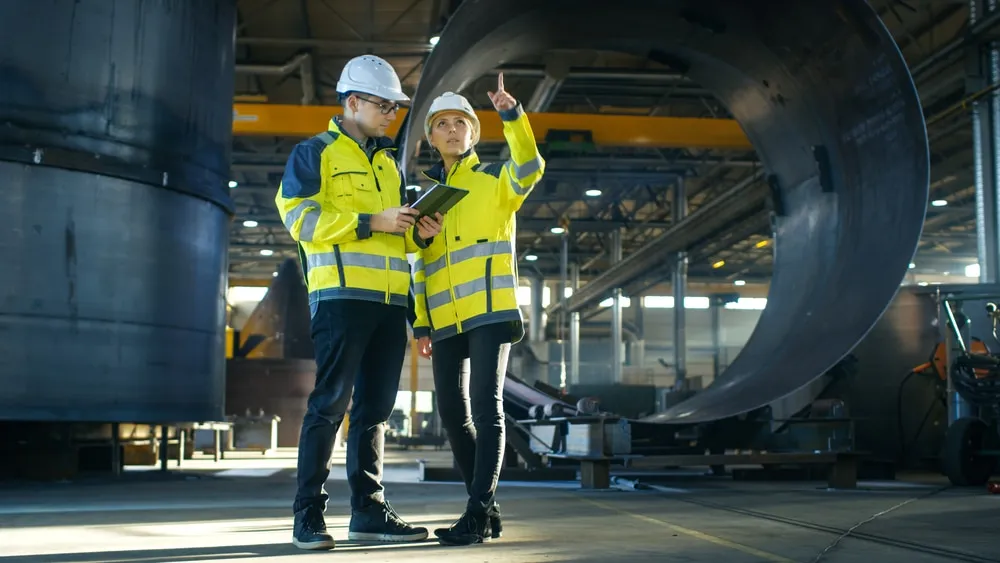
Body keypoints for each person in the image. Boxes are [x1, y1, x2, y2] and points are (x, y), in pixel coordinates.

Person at [274, 54, 444, 551]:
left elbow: (397, 241)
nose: (393, 113)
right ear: (352, 102)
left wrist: (420, 233)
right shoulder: (316, 154)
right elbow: (300, 219)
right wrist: (372, 220)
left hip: (390, 304)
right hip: (342, 299)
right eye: (384, 105)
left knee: (374, 412)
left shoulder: (389, 165)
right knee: (329, 406)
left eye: (396, 106)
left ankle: (368, 513)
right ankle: (307, 515)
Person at [411, 74, 545, 546]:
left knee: (487, 410)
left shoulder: (494, 181)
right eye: (442, 124)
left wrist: (512, 115)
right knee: (450, 411)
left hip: (489, 311)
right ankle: (486, 507)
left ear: (473, 133)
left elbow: (529, 166)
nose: (451, 131)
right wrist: (421, 323)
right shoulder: (425, 198)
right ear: (431, 137)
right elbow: (419, 266)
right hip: (446, 320)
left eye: (460, 123)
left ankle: (474, 512)